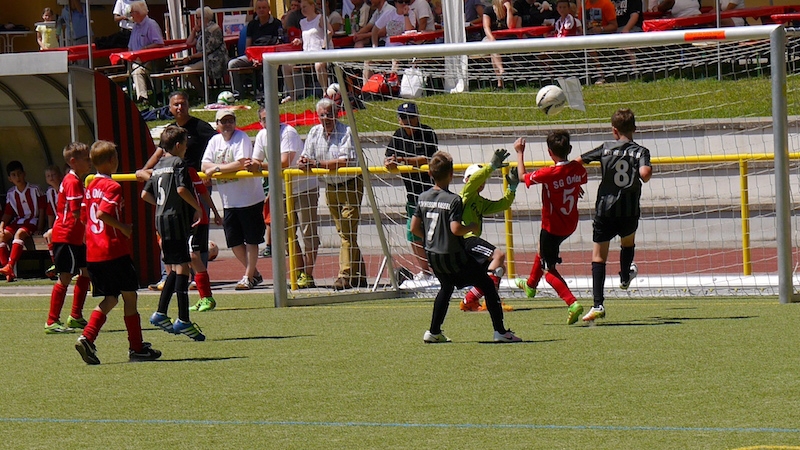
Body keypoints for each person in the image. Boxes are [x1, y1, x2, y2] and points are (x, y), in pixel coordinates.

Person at [411, 151, 522, 343]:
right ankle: (500, 331)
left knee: (447, 287)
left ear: (429, 173)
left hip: (433, 255)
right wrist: (471, 226)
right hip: (454, 253)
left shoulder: (422, 197)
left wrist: (511, 188)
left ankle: (433, 331)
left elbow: (414, 228)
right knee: (488, 283)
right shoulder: (457, 198)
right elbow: (455, 229)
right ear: (452, 175)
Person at [75, 140, 162, 365]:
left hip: (94, 252)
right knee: (130, 296)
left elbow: (84, 217)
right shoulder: (112, 186)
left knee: (111, 298)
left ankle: (87, 337)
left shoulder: (90, 185)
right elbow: (102, 214)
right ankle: (136, 347)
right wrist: (123, 228)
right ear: (112, 160)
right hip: (113, 250)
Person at [576, 108, 652, 322]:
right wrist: (644, 172)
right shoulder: (641, 151)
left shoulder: (605, 148)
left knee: (598, 256)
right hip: (629, 209)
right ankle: (625, 277)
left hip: (605, 208)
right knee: (627, 243)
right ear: (634, 128)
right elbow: (645, 174)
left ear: (614, 131)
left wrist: (576, 181)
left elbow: (577, 161)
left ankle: (598, 305)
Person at [137, 90, 217, 290]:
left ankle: (197, 278)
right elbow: (157, 155)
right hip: (172, 191)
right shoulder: (170, 132)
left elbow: (217, 146)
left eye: (183, 103)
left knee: (197, 236)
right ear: (170, 108)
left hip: (194, 187)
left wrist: (210, 170)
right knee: (170, 237)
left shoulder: (201, 128)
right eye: (176, 104)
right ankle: (169, 276)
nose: (180, 107)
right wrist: (146, 170)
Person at [512, 133, 588, 325]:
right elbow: (579, 180)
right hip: (570, 224)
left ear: (549, 152)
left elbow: (522, 177)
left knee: (549, 270)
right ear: (570, 149)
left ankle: (572, 303)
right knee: (542, 250)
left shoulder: (548, 173)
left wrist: (520, 152)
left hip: (552, 227)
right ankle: (530, 285)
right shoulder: (578, 169)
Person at [142, 126, 205, 340]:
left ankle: (161, 313)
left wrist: (161, 205)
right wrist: (197, 207)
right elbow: (181, 189)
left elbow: (145, 195)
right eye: (185, 144)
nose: (187, 148)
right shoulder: (178, 163)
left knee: (176, 267)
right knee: (183, 266)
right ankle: (183, 319)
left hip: (161, 219)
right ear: (178, 145)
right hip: (176, 220)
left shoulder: (158, 165)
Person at [298, 98, 366, 290]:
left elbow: (344, 161)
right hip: (330, 187)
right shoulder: (314, 132)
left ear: (337, 114)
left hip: (350, 185)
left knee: (347, 232)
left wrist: (317, 164)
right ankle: (360, 274)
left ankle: (344, 276)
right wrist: (304, 162)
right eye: (322, 115)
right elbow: (307, 156)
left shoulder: (347, 131)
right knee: (345, 233)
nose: (326, 118)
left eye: (329, 114)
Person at [253, 106, 320, 288]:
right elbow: (256, 159)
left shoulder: (288, 133)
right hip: (281, 189)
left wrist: (258, 166)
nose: (269, 121)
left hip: (304, 187)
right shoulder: (261, 135)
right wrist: (255, 165)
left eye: (272, 117)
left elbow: (284, 162)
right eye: (265, 119)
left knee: (308, 232)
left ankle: (308, 274)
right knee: (283, 233)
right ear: (261, 122)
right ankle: (298, 270)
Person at [201, 110, 266, 291]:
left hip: (249, 198)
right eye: (224, 121)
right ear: (217, 124)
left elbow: (241, 162)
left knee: (252, 239)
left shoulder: (241, 137)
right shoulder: (214, 141)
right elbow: (204, 164)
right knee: (234, 242)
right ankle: (254, 273)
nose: (228, 124)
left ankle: (248, 276)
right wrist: (218, 168)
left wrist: (216, 169)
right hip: (229, 200)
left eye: (231, 120)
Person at [458, 149, 519, 312]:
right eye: (479, 178)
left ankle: (470, 300)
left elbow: (503, 204)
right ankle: (492, 302)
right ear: (468, 180)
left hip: (470, 242)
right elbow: (474, 181)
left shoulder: (479, 201)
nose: (482, 182)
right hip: (465, 240)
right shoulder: (465, 194)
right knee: (499, 255)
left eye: (483, 180)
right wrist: (491, 166)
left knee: (499, 269)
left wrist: (512, 188)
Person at [383, 102, 436, 281]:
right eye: (404, 117)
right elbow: (389, 158)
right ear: (399, 120)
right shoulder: (397, 136)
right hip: (413, 195)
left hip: (432, 193)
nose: (408, 120)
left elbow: (427, 158)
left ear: (417, 117)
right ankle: (426, 271)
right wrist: (390, 163)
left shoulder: (427, 132)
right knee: (412, 233)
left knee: (435, 233)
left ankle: (439, 270)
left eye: (411, 117)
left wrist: (402, 160)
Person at [44, 143, 93, 334]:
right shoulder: (72, 181)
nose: (90, 162)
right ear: (73, 161)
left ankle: (75, 316)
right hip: (66, 236)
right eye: (86, 159)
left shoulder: (76, 180)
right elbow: (76, 212)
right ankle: (52, 321)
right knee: (65, 276)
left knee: (85, 272)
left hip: (75, 237)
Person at [0, 161, 46, 283]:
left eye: (19, 174)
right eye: (14, 175)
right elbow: (8, 213)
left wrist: (40, 227)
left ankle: (10, 266)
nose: (17, 177)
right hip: (18, 221)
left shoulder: (35, 189)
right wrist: (2, 225)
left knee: (19, 233)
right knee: (1, 236)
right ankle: (7, 270)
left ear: (24, 174)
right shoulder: (11, 193)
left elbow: (42, 209)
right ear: (10, 179)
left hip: (32, 221)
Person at [228, 0, 284, 98]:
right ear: (255, 10)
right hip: (253, 56)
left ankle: (270, 93)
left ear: (269, 9)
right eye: (259, 8)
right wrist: (253, 58)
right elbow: (248, 47)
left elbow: (278, 44)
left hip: (269, 56)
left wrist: (262, 59)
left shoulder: (277, 23)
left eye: (264, 7)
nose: (261, 10)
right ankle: (239, 95)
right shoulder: (252, 24)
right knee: (232, 64)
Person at [291, 0, 334, 97]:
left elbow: (329, 32)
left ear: (312, 6)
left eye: (305, 7)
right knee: (286, 66)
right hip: (307, 54)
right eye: (301, 8)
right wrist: (300, 40)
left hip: (322, 53)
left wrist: (324, 46)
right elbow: (309, 36)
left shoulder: (320, 18)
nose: (303, 10)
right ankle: (293, 95)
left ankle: (325, 92)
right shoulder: (302, 22)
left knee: (318, 65)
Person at [182, 7, 229, 94]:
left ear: (205, 18)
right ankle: (204, 92)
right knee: (187, 70)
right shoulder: (203, 30)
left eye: (198, 17)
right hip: (205, 59)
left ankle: (203, 94)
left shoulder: (212, 30)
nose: (196, 20)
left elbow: (205, 51)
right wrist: (194, 31)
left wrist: (189, 57)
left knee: (187, 71)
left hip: (214, 61)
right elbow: (189, 43)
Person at [127, 1, 165, 105]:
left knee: (140, 69)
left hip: (152, 58)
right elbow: (130, 46)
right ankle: (143, 97)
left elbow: (159, 43)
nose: (130, 15)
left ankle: (157, 95)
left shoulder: (151, 24)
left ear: (138, 12)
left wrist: (146, 49)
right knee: (136, 69)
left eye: (132, 12)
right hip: (137, 60)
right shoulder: (135, 27)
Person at [483, 0, 520, 90]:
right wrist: (492, 38)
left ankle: (500, 82)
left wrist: (509, 10)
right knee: (492, 46)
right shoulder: (488, 10)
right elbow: (486, 27)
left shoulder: (514, 12)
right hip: (491, 37)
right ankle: (502, 71)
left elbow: (511, 26)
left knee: (493, 51)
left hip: (507, 38)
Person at [43, 164, 63, 280]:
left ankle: (59, 265)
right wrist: (51, 227)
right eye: (48, 176)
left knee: (50, 234)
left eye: (53, 175)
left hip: (68, 223)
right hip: (59, 223)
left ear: (60, 176)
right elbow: (50, 211)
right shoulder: (50, 192)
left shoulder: (64, 189)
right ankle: (56, 263)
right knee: (48, 234)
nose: (51, 178)